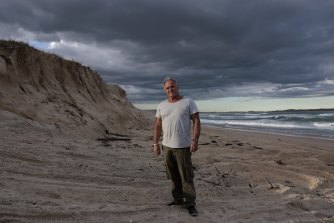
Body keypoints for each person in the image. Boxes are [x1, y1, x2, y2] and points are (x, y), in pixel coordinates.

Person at [153, 76, 201, 217]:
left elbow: (196, 122)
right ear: (164, 89)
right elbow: (157, 126)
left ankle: (190, 203)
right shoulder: (162, 105)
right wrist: (155, 144)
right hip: (166, 146)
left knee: (186, 176)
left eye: (172, 86)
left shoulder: (188, 102)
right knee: (173, 176)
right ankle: (178, 199)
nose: (170, 89)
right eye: (167, 88)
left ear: (177, 87)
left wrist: (195, 140)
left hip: (183, 146)